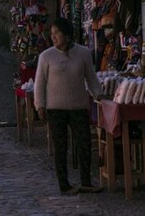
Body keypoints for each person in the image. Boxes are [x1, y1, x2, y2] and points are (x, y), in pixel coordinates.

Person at [33, 18, 103, 195]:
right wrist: (39, 105)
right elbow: (39, 83)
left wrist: (99, 95)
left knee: (84, 144)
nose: (54, 37)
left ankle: (86, 181)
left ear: (67, 34)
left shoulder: (83, 53)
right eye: (52, 34)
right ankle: (64, 185)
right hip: (55, 109)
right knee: (61, 147)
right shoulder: (46, 57)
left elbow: (91, 77)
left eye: (57, 33)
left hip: (79, 106)